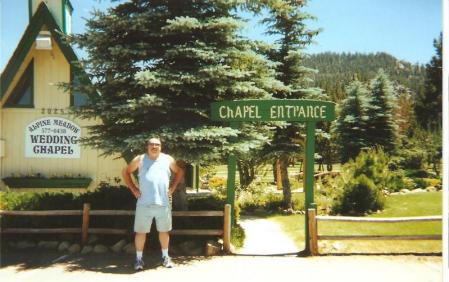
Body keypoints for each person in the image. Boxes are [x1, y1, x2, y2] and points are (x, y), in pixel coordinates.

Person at [122, 137, 184, 270]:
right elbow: (125, 172)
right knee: (140, 232)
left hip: (163, 203)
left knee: (164, 231)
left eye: (157, 144)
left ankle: (165, 257)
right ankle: (138, 260)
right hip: (144, 203)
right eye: (152, 144)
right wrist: (133, 189)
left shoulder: (167, 159)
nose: (154, 146)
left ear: (161, 147)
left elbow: (179, 172)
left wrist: (172, 188)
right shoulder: (140, 159)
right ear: (147, 146)